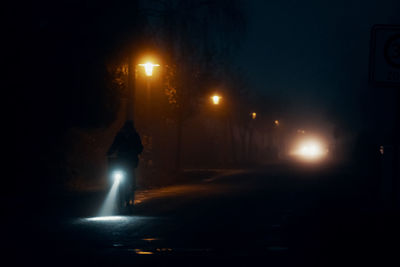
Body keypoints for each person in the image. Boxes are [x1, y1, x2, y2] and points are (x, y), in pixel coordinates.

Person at [107, 120, 143, 211]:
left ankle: (132, 188)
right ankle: (121, 196)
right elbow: (114, 145)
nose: (127, 130)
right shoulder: (119, 135)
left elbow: (140, 147)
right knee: (116, 172)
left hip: (130, 160)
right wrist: (109, 152)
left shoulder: (135, 136)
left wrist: (136, 151)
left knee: (130, 173)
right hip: (121, 159)